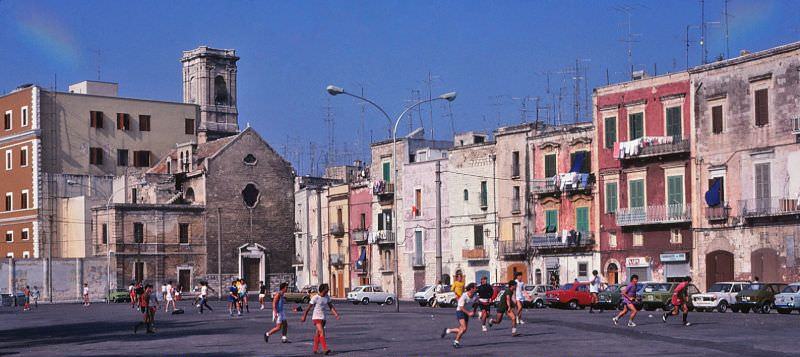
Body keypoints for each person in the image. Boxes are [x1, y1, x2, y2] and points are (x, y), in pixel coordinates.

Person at [301, 283, 340, 355]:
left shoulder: (327, 297)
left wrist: (336, 314)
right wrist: (304, 316)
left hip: (323, 317)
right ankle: (325, 349)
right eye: (327, 288)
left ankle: (315, 349)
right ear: (323, 289)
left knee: (318, 333)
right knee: (322, 332)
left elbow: (331, 306)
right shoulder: (315, 297)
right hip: (316, 317)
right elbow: (308, 308)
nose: (328, 289)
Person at [440, 283, 478, 348]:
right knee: (463, 328)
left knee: (464, 329)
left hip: (466, 312)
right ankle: (456, 342)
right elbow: (461, 307)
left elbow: (476, 304)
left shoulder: (475, 296)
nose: (476, 289)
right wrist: (469, 313)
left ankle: (448, 330)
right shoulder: (464, 296)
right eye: (475, 288)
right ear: (471, 289)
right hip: (460, 311)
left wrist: (474, 312)